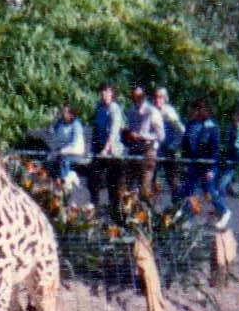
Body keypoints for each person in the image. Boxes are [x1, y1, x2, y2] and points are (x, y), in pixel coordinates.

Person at [180, 97, 231, 230]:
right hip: (193, 164)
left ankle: (224, 211)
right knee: (189, 191)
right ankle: (187, 218)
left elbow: (214, 149)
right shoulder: (190, 125)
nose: (191, 112)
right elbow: (185, 145)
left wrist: (210, 169)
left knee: (209, 191)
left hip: (207, 165)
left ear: (200, 110)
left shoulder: (211, 127)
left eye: (193, 109)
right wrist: (185, 162)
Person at [121, 84, 163, 203]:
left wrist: (142, 136)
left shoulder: (152, 111)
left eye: (140, 96)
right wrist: (127, 133)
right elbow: (129, 129)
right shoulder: (130, 111)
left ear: (144, 96)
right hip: (133, 150)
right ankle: (131, 212)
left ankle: (150, 211)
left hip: (148, 151)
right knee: (128, 188)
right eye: (134, 96)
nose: (137, 98)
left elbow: (161, 135)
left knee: (145, 190)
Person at [87, 82, 125, 214]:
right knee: (93, 181)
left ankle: (115, 212)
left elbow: (113, 132)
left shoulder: (114, 109)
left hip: (113, 152)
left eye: (107, 92)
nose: (104, 94)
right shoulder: (99, 108)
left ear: (112, 94)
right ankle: (94, 208)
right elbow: (96, 129)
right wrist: (94, 149)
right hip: (99, 148)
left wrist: (106, 148)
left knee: (113, 184)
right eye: (102, 92)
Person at [153, 85, 184, 199]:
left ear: (165, 98)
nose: (158, 99)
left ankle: (178, 205)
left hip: (168, 150)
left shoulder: (169, 112)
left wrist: (175, 145)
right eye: (156, 96)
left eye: (160, 97)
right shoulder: (151, 110)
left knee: (173, 181)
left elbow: (181, 130)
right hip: (155, 150)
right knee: (151, 180)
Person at [46, 103, 86, 188]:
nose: (63, 114)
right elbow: (50, 131)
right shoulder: (60, 122)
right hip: (63, 150)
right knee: (49, 161)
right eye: (62, 111)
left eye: (65, 112)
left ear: (71, 114)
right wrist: (54, 118)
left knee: (64, 160)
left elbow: (74, 143)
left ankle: (66, 182)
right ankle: (66, 178)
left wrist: (61, 150)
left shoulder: (76, 124)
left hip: (75, 151)